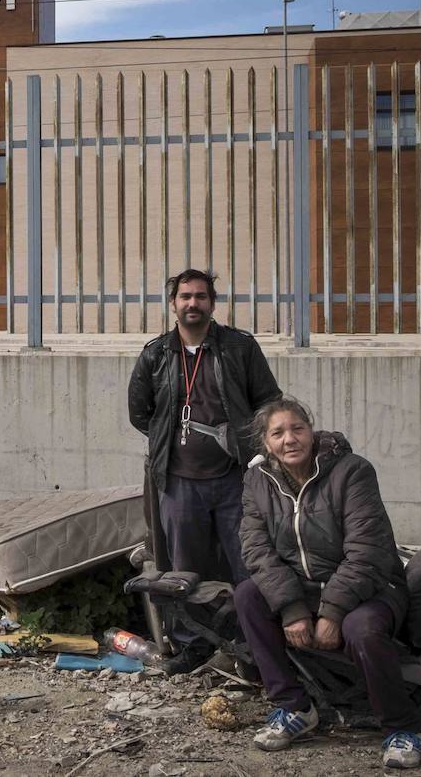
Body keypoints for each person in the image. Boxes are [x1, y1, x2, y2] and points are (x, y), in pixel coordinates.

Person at [235, 396, 421, 769]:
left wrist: (333, 611)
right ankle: (294, 707)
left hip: (372, 585)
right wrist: (291, 608)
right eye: (278, 433)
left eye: (297, 428)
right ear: (266, 443)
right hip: (303, 586)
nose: (290, 439)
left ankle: (403, 725)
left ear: (312, 431)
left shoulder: (352, 471)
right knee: (248, 596)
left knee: (362, 628)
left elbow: (367, 552)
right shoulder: (257, 481)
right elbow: (256, 548)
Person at [128, 268, 281, 673]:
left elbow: (269, 402)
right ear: (173, 304)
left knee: (248, 563)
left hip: (236, 480)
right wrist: (170, 440)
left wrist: (246, 442)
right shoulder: (156, 354)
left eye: (200, 296)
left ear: (212, 303)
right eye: (185, 297)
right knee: (182, 568)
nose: (192, 303)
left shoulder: (239, 349)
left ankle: (256, 645)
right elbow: (139, 412)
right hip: (178, 483)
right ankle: (192, 645)